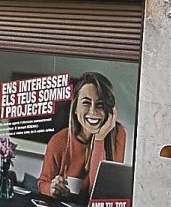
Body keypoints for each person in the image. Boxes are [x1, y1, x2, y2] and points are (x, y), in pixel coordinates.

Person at [37, 72, 127, 200]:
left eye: (100, 104)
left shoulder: (118, 134)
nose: (93, 111)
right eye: (86, 103)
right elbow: (42, 182)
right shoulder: (58, 141)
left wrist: (99, 138)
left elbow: (100, 193)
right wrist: (52, 188)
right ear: (75, 108)